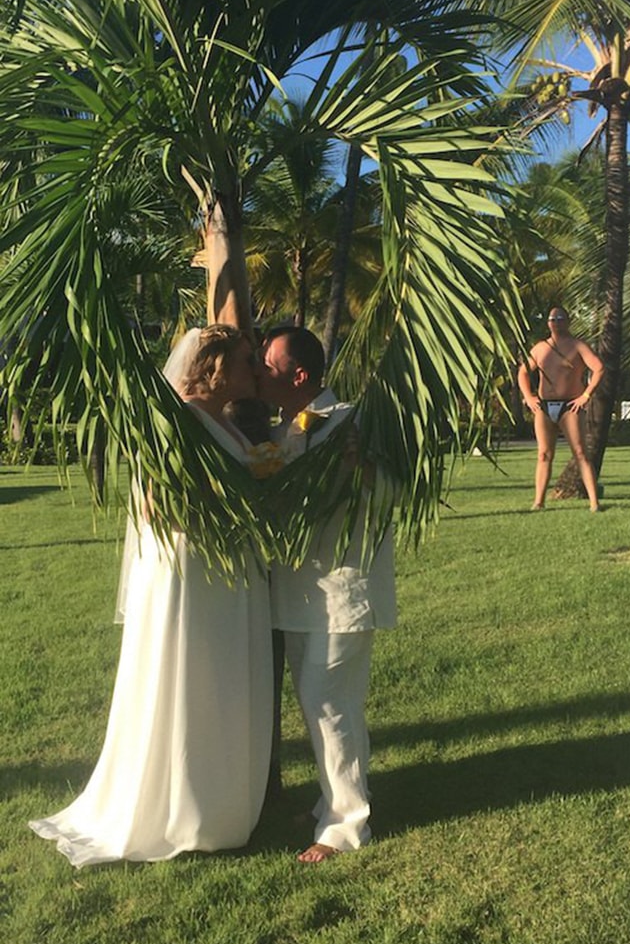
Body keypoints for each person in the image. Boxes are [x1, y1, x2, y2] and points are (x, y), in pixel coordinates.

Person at [29, 325, 273, 866]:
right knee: (189, 674)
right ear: (214, 367)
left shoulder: (220, 419)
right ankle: (183, 806)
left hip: (229, 572)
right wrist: (228, 521)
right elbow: (154, 508)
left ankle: (220, 801)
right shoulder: (177, 420)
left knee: (221, 679)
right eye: (244, 361)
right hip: (194, 571)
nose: (251, 371)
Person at [256, 326, 396, 863]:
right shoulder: (283, 428)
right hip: (297, 591)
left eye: (269, 364)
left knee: (331, 704)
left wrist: (362, 466)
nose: (262, 373)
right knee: (315, 705)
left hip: (343, 588)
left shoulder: (351, 419)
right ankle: (329, 804)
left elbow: (392, 490)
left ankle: (345, 825)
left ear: (299, 374)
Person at [517, 307, 604, 512]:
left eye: (560, 318)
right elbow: (522, 373)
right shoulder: (540, 348)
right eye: (552, 318)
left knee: (581, 452)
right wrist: (529, 397)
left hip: (569, 406)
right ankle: (538, 501)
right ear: (548, 323)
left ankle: (594, 503)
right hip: (545, 407)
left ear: (568, 321)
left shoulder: (577, 346)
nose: (555, 322)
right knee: (544, 454)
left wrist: (586, 395)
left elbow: (599, 368)